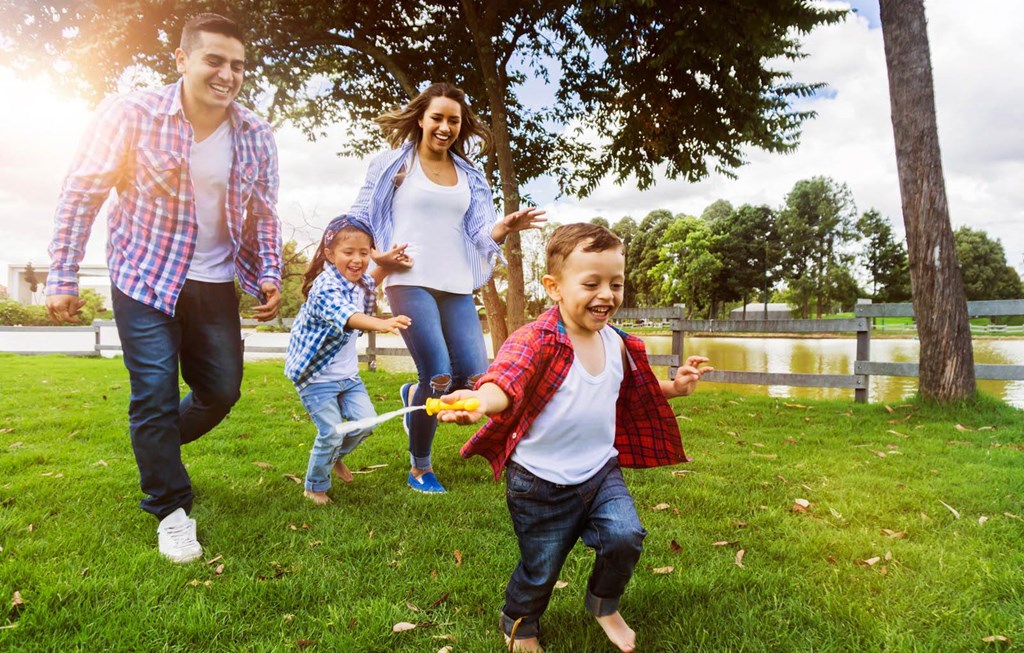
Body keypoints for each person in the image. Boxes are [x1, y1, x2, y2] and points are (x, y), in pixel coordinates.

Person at [45, 13, 282, 563]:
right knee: (152, 391)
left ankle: (155, 448)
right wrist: (62, 274)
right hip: (145, 276)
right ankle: (170, 507)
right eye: (215, 60)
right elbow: (82, 193)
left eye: (238, 65)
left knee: (221, 392)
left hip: (215, 281)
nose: (228, 75)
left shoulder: (256, 133)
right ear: (182, 59)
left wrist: (268, 270)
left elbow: (263, 214)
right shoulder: (132, 113)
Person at [437, 223, 713, 652]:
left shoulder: (618, 344)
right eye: (592, 283)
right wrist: (479, 401)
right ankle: (519, 623)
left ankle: (604, 603)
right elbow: (505, 381)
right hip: (538, 483)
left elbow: (632, 391)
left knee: (626, 536)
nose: (607, 294)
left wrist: (675, 387)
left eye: (615, 283)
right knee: (541, 567)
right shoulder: (535, 339)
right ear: (554, 287)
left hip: (600, 472)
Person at [348, 81, 546, 494]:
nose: (444, 126)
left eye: (453, 120)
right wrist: (377, 259)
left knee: (475, 377)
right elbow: (361, 216)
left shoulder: (471, 175)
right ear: (420, 118)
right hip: (409, 279)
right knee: (438, 375)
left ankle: (413, 396)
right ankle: (420, 467)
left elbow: (478, 233)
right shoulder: (393, 165)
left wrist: (504, 227)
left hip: (456, 281)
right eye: (437, 117)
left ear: (462, 125)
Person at [285, 216, 412, 505]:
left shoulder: (358, 280)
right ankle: (314, 487)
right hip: (316, 377)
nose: (357, 260)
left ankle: (333, 455)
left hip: (347, 376)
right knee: (330, 432)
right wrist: (381, 323)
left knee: (366, 423)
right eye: (348, 253)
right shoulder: (325, 286)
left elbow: (372, 278)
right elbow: (347, 316)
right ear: (329, 255)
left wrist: (388, 263)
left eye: (364, 253)